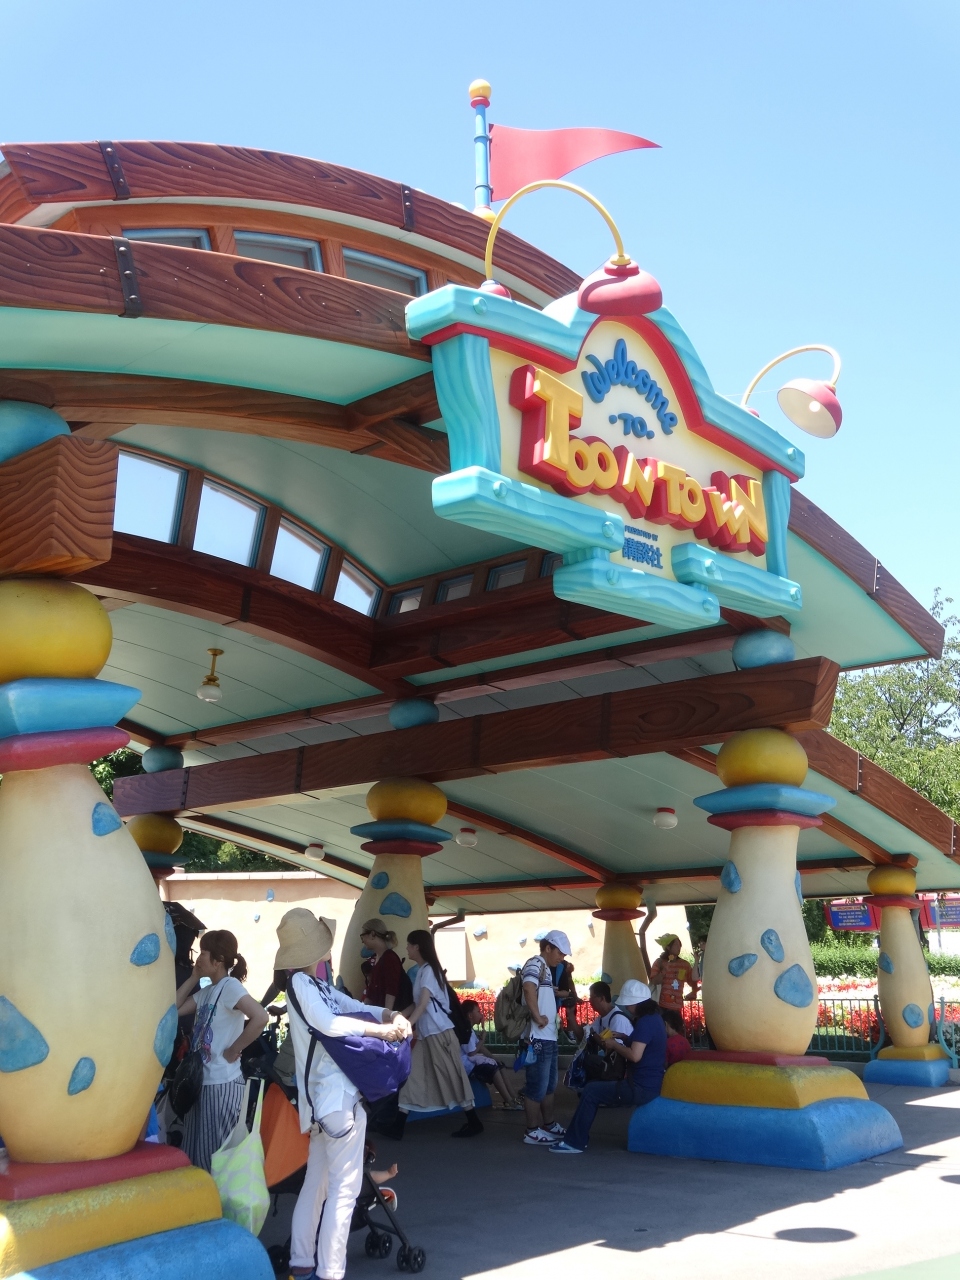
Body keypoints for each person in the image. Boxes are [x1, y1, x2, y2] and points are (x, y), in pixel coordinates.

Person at [277, 907, 411, 1280]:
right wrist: (381, 1030)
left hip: (322, 1106)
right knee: (344, 1191)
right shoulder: (304, 985)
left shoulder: (314, 986)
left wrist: (389, 1016)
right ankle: (330, 1271)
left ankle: (302, 1263)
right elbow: (331, 1024)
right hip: (339, 1100)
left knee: (316, 1185)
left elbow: (356, 1008)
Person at [175, 929, 269, 1172]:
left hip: (221, 1082)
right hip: (202, 1082)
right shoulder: (209, 991)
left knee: (214, 1160)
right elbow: (173, 1009)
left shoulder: (230, 986)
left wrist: (234, 1049)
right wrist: (194, 977)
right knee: (197, 1157)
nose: (198, 957)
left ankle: (217, 1198)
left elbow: (260, 1017)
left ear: (217, 960)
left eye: (203, 953)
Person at [551, 979, 667, 1154]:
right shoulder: (654, 1019)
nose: (626, 1008)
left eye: (628, 1004)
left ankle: (574, 1142)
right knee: (593, 1089)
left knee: (591, 1091)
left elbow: (635, 1055)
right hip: (649, 1084)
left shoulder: (645, 1022)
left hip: (639, 1087)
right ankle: (575, 1138)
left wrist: (614, 1045)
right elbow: (644, 1045)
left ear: (637, 1003)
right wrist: (624, 1037)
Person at [396, 929, 483, 1138]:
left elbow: (423, 1004)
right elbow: (417, 1004)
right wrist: (395, 1017)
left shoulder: (428, 971)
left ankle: (474, 1121)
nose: (406, 948)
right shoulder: (425, 971)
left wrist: (407, 1025)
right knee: (413, 1077)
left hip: (439, 1034)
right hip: (428, 1035)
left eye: (409, 944)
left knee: (453, 1076)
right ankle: (397, 1125)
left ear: (417, 947)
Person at [519, 929, 570, 1146]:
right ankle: (532, 1130)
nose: (562, 958)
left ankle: (548, 1124)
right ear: (547, 948)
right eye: (560, 953)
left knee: (548, 1085)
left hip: (547, 1037)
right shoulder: (535, 963)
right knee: (537, 1086)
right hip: (537, 1037)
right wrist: (537, 1016)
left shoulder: (546, 969)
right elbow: (528, 987)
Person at [460, 999, 522, 1109]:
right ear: (470, 1015)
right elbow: (472, 1053)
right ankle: (509, 1101)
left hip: (473, 1062)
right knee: (494, 1070)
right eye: (478, 1011)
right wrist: (482, 1039)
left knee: (500, 1065)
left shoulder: (470, 1031)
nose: (481, 1014)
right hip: (468, 1066)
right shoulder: (466, 1032)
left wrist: (494, 1058)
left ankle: (514, 1097)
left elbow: (481, 1048)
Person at [574, 981, 634, 1080]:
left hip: (622, 1068)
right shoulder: (602, 1017)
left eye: (592, 997)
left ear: (602, 998)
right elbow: (582, 1036)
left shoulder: (618, 1019)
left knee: (589, 1060)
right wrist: (571, 1016)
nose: (590, 1001)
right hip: (613, 1063)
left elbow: (614, 1050)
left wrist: (592, 1033)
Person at [360, 918, 408, 1011]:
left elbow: (391, 991)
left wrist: (387, 1015)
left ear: (372, 934)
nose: (362, 941)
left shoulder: (390, 958)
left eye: (362, 936)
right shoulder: (378, 958)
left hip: (390, 1015)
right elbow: (371, 993)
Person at [647, 932, 699, 1014]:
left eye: (680, 945)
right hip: (661, 1007)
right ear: (668, 947)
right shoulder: (659, 962)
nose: (679, 947)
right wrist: (663, 971)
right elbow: (654, 981)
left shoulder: (684, 964)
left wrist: (694, 992)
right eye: (676, 945)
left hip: (677, 1007)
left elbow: (692, 981)